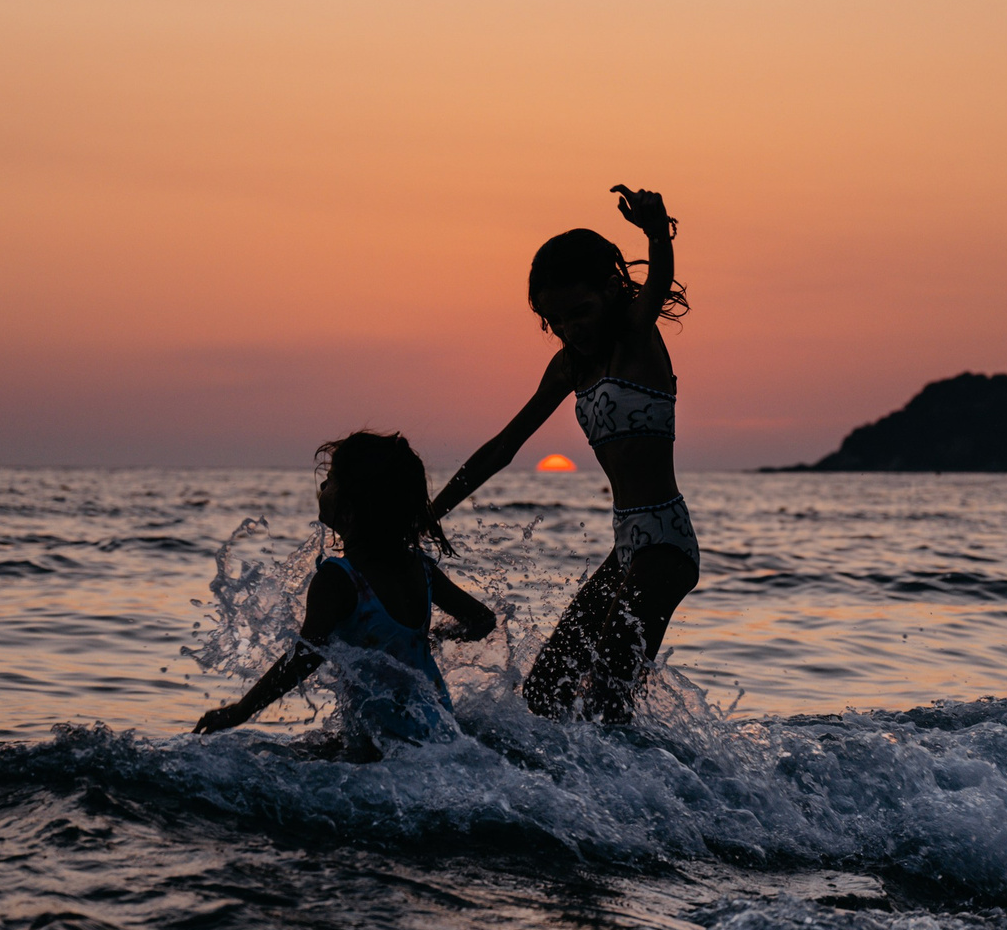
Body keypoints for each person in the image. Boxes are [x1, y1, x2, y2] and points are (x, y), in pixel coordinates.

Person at [428, 185, 695, 722]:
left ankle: (645, 801)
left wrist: (654, 229)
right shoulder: (570, 365)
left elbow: (660, 279)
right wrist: (430, 514)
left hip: (665, 545)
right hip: (625, 549)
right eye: (557, 321)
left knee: (605, 706)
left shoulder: (634, 339)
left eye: (582, 311)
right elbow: (504, 447)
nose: (572, 329)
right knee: (544, 695)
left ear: (612, 291)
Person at [193, 432, 497, 754]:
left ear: (353, 506)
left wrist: (241, 711)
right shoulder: (420, 569)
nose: (324, 487)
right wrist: (435, 639)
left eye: (332, 480)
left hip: (382, 748)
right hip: (439, 736)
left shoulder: (338, 579)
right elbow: (482, 620)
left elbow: (305, 656)